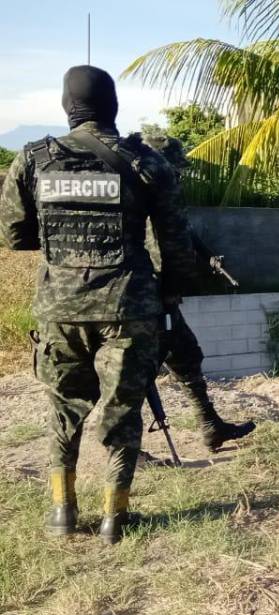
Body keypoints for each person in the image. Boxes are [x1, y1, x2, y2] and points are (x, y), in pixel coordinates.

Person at [0, 65, 196, 544]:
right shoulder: (147, 163)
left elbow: (11, 233)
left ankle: (62, 513)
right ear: (113, 106)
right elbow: (176, 243)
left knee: (63, 408)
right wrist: (170, 293)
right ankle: (114, 517)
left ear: (69, 108)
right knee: (123, 410)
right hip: (129, 308)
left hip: (59, 311)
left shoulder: (33, 159)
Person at [139, 132, 255, 451]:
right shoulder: (145, 200)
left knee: (187, 355)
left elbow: (185, 235)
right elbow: (160, 248)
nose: (178, 175)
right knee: (137, 374)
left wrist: (208, 258)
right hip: (147, 298)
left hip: (158, 298)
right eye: (174, 168)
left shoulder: (156, 196)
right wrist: (172, 288)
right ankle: (126, 446)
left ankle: (210, 425)